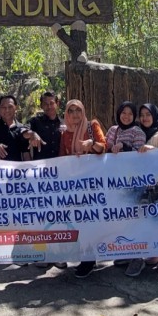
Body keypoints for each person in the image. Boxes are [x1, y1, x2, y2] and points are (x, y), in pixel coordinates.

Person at [122, 103, 158, 277]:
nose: (145, 118)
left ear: (155, 115)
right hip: (144, 188)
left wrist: (154, 151)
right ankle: (146, 254)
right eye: (142, 114)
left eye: (148, 114)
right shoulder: (138, 134)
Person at [58, 99, 106, 278]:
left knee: (89, 220)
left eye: (78, 110)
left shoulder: (92, 125)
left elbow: (103, 147)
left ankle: (89, 259)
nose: (75, 115)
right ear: (67, 114)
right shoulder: (65, 134)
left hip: (91, 183)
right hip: (73, 183)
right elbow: (61, 157)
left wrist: (90, 144)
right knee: (77, 220)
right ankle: (82, 255)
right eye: (71, 111)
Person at [0, 95, 39, 161]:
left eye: (10, 107)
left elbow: (25, 154)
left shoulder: (22, 129)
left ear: (16, 108)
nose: (7, 110)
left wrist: (30, 169)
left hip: (14, 170)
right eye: (3, 107)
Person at [28, 91, 63, 160]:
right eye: (45, 104)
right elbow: (22, 131)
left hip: (61, 167)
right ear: (41, 105)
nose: (49, 106)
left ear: (57, 104)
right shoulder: (35, 122)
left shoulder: (65, 123)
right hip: (41, 168)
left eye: (52, 103)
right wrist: (32, 134)